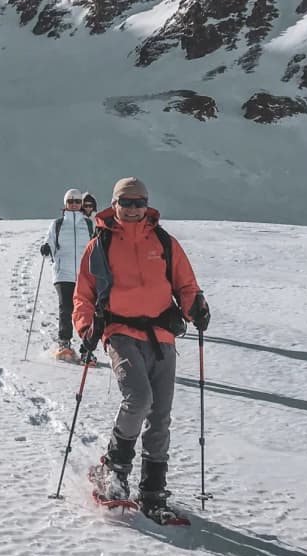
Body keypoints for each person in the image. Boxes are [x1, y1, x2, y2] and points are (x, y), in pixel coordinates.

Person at [72, 177, 210, 523]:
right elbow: (83, 294)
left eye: (139, 202)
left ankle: (152, 491)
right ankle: (113, 470)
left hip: (161, 334)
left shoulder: (164, 241)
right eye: (126, 202)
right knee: (138, 399)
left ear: (147, 204)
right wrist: (86, 326)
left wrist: (197, 306)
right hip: (119, 330)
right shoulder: (100, 244)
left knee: (160, 414)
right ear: (114, 204)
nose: (133, 209)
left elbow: (185, 284)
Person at [38, 188, 94, 360]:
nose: (74, 204)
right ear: (65, 204)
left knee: (85, 310)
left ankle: (87, 348)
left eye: (77, 201)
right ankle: (64, 343)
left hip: (84, 274)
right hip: (63, 272)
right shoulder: (58, 224)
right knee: (66, 308)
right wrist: (47, 248)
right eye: (70, 201)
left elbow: (94, 246)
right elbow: (50, 241)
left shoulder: (88, 224)